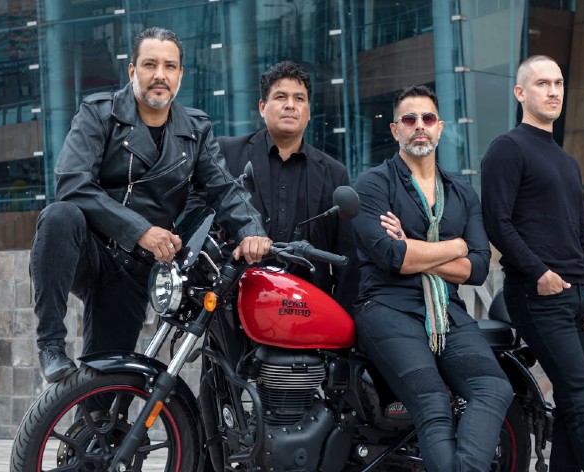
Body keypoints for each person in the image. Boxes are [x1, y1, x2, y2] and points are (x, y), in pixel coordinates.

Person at [31, 27, 271, 383]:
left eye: (169, 66)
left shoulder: (196, 130)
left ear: (180, 75)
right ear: (132, 71)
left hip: (136, 270)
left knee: (104, 392)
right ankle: (50, 345)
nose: (160, 74)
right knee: (58, 215)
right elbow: (72, 183)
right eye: (150, 64)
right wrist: (140, 230)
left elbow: (225, 189)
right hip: (91, 250)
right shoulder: (98, 113)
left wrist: (252, 232)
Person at [352, 85, 513, 472]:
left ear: (439, 127)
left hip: (448, 313)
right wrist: (454, 245)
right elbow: (391, 257)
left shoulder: (462, 193)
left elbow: (478, 266)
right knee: (432, 401)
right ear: (395, 130)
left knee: (494, 387)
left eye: (427, 118)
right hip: (388, 309)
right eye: (409, 119)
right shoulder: (373, 184)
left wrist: (413, 246)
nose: (419, 126)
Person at [481, 55, 584, 471]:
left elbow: (580, 233)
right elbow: (497, 223)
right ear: (520, 93)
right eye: (542, 84)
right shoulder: (507, 148)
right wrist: (540, 272)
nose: (554, 91)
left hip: (580, 300)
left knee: (574, 405)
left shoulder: (567, 162)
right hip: (537, 295)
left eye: (558, 83)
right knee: (583, 400)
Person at [193, 60, 357, 314]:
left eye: (299, 98)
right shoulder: (225, 153)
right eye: (280, 97)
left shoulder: (334, 173)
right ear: (262, 107)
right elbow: (195, 209)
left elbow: (348, 257)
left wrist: (344, 320)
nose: (290, 105)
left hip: (306, 308)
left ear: (309, 112)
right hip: (232, 303)